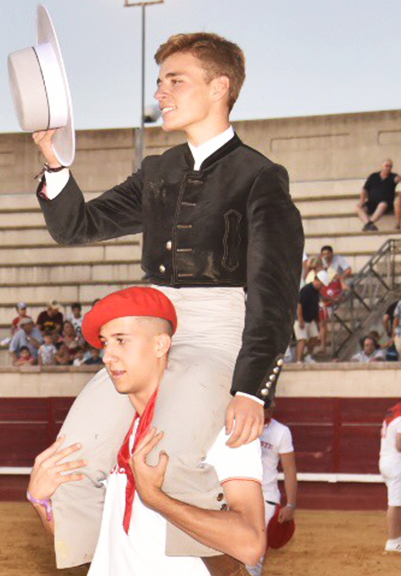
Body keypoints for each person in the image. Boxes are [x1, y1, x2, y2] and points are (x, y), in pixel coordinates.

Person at [35, 35, 300, 567]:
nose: (160, 91)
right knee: (67, 463)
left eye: (175, 80)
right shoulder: (159, 171)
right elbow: (77, 226)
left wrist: (251, 389)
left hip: (218, 330)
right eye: (160, 81)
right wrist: (55, 163)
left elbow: (273, 293)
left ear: (219, 87)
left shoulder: (260, 176)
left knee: (168, 461)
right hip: (150, 330)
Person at [27, 287, 266, 573]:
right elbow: (95, 545)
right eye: (105, 343)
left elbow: (250, 545)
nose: (107, 356)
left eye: (121, 341)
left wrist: (157, 499)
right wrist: (42, 502)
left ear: (160, 346)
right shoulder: (107, 432)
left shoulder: (221, 426)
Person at [248, 403, 298, 575]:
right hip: (238, 494)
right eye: (265, 404)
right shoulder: (240, 423)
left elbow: (289, 469)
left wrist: (291, 504)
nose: (270, 407)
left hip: (266, 497)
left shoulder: (281, 431)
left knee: (255, 555)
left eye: (271, 403)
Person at [380, 400, 401, 554]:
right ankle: (393, 541)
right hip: (396, 464)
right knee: (396, 503)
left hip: (387, 460)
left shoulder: (393, 412)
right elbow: (400, 444)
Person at [356, 159, 400, 231]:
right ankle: (369, 224)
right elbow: (364, 189)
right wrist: (361, 201)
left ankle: (369, 223)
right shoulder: (373, 176)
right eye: (387, 166)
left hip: (386, 204)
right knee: (357, 208)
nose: (388, 168)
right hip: (372, 203)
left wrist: (398, 179)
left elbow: (397, 179)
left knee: (382, 204)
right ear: (382, 166)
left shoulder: (393, 176)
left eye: (390, 166)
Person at [295, 272, 326, 362]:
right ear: (317, 281)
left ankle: (308, 356)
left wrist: (317, 321)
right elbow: (299, 304)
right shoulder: (306, 289)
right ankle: (298, 360)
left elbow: (315, 306)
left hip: (310, 319)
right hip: (301, 319)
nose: (322, 287)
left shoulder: (316, 292)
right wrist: (300, 318)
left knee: (315, 337)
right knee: (302, 339)